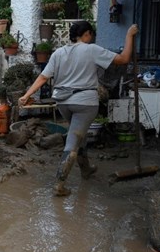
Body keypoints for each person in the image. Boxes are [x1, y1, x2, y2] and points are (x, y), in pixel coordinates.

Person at [19, 21, 138, 196]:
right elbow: (124, 59)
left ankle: (86, 169)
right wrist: (129, 35)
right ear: (87, 34)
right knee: (73, 141)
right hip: (85, 103)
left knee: (78, 135)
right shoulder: (92, 49)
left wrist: (26, 95)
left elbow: (43, 77)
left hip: (63, 103)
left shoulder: (58, 53)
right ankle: (59, 184)